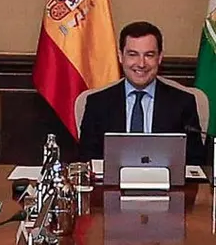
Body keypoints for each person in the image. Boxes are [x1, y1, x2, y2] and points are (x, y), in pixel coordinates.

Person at [74, 21, 204, 161]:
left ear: (159, 58)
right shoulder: (97, 103)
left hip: (165, 181)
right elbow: (87, 159)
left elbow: (195, 162)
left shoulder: (183, 102)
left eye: (149, 55)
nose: (141, 64)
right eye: (133, 54)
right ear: (120, 56)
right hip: (112, 182)